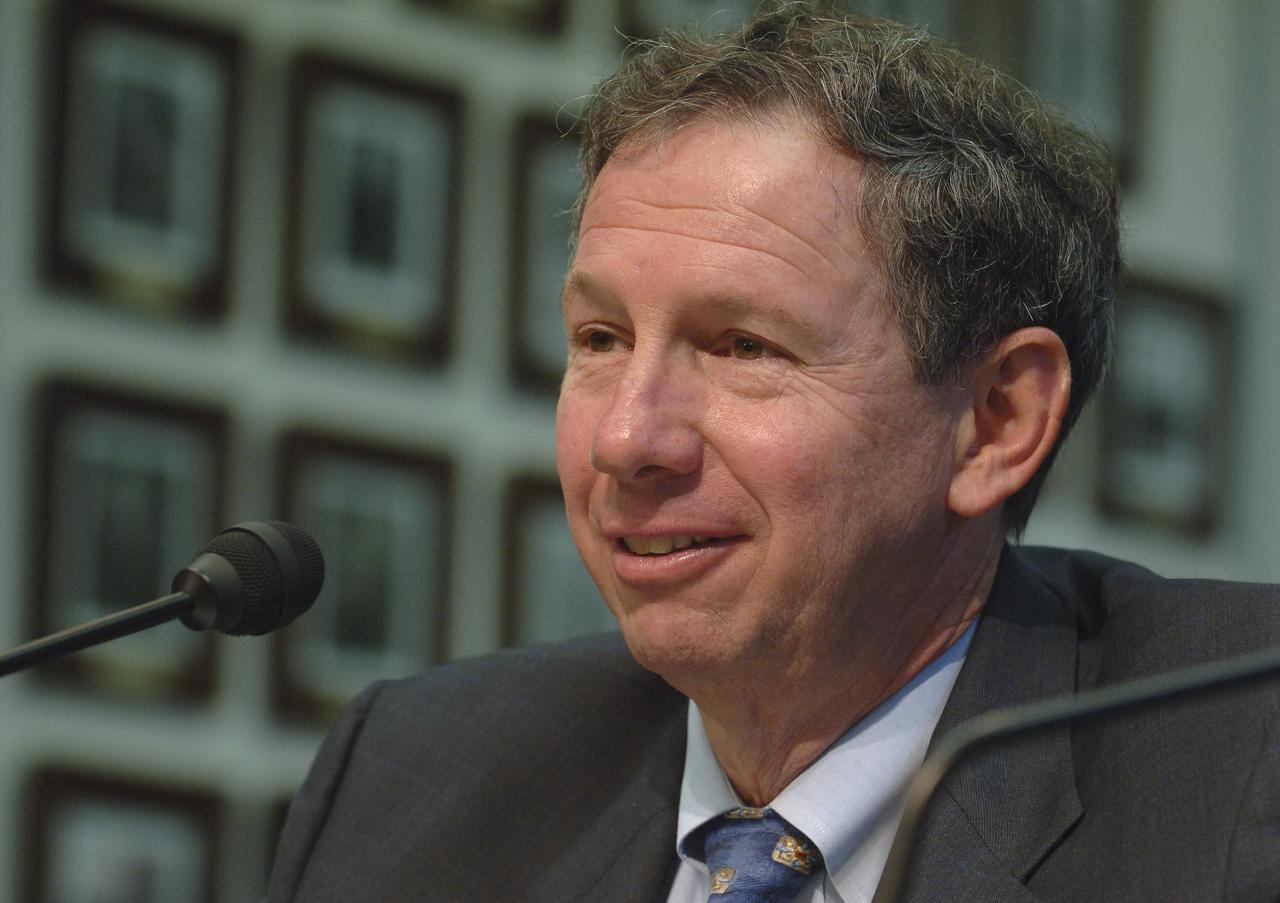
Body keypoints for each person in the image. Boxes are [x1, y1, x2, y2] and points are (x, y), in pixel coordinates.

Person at [267, 6, 1280, 901]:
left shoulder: (1239, 753)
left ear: (996, 420)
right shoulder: (416, 781)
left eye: (741, 347)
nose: (626, 439)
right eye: (599, 341)